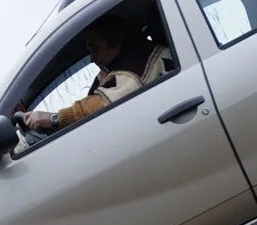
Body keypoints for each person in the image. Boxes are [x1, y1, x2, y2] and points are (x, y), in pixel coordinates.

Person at [21, 14, 172, 135]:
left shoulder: (136, 63)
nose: (92, 58)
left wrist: (54, 119)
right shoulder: (116, 65)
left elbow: (102, 105)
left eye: (96, 48)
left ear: (114, 40)